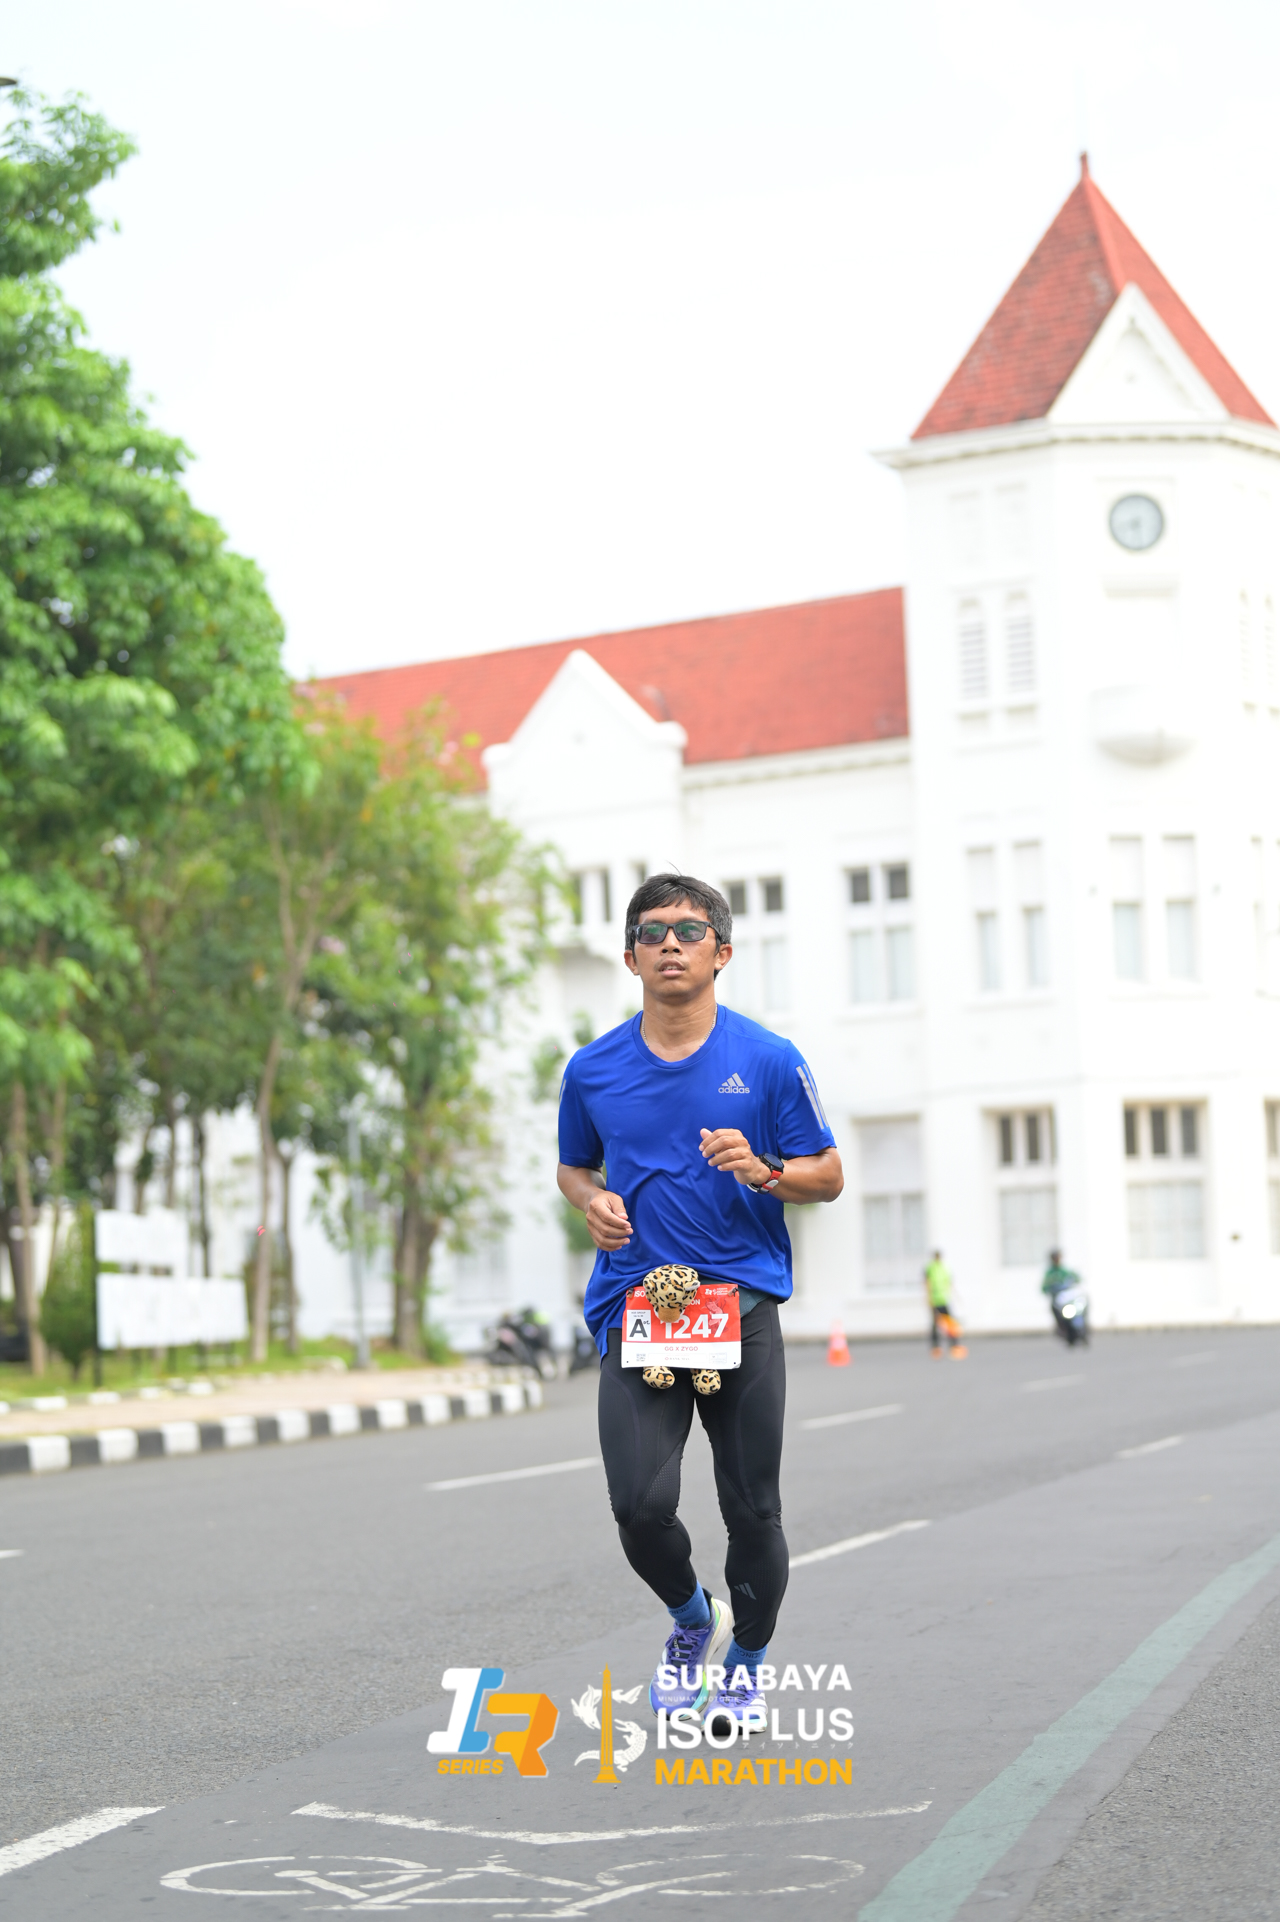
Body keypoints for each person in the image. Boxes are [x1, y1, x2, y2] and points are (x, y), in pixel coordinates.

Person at [557, 873, 843, 1737]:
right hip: (639, 1307)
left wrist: (763, 1169)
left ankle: (746, 1668)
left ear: (722, 952)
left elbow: (828, 1175)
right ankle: (692, 1619)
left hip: (738, 1306)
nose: (670, 944)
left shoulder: (770, 1059)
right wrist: (591, 1201)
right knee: (638, 1508)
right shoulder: (593, 1069)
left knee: (751, 1509)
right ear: (630, 957)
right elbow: (574, 1166)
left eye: (688, 931)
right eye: (652, 932)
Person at [923, 1250, 966, 1359]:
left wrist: (956, 1296)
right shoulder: (931, 1268)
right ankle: (936, 1347)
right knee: (935, 1324)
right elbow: (927, 1283)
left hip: (943, 1299)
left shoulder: (943, 1268)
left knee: (949, 1323)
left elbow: (949, 1283)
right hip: (935, 1300)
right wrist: (928, 1297)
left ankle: (954, 1345)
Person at [1042, 1249, 1080, 1336]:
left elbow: (1076, 1277)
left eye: (1058, 1258)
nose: (1057, 1260)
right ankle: (1061, 1326)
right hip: (1057, 1298)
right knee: (1054, 1308)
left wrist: (1076, 1280)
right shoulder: (1050, 1273)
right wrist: (1047, 1289)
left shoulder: (1065, 1270)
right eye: (1055, 1258)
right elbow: (1044, 1286)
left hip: (1067, 1297)